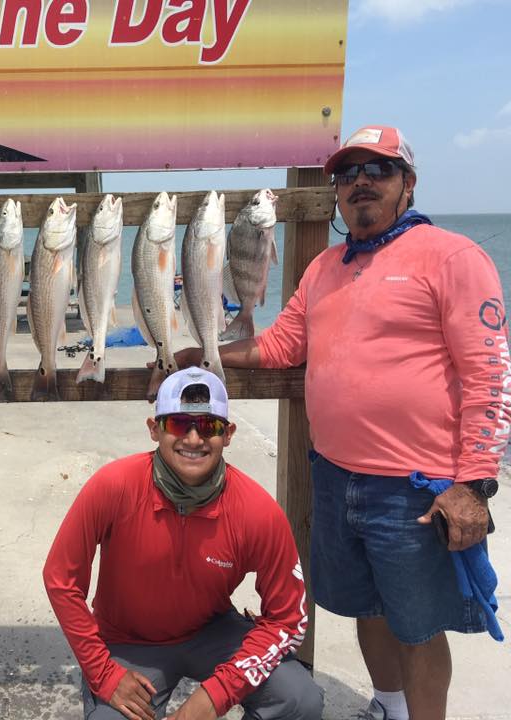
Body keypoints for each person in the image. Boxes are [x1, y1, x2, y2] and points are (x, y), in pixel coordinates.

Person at [175, 125, 507, 720]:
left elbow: (489, 375)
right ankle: (388, 706)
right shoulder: (325, 267)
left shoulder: (454, 257)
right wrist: (206, 354)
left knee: (419, 626)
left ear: (408, 183)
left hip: (418, 489)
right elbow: (281, 345)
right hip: (334, 477)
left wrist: (475, 482)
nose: (360, 183)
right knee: (366, 608)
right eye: (347, 174)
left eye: (377, 170)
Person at [43, 367, 322, 720]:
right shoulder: (113, 486)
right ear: (154, 429)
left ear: (228, 434)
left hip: (211, 630)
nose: (193, 439)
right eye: (178, 424)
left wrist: (214, 695)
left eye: (209, 426)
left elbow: (287, 619)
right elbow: (60, 579)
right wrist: (103, 672)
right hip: (128, 641)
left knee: (299, 698)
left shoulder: (257, 511)